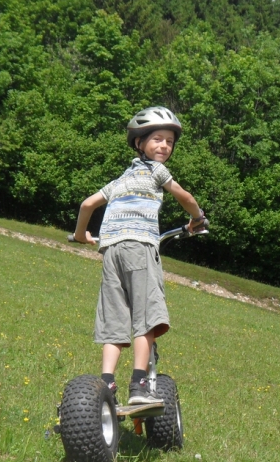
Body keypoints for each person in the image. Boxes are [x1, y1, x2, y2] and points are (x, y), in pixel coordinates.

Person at [72, 107, 205, 405]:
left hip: (111, 250)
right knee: (146, 318)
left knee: (114, 318)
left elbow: (87, 204)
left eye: (169, 142)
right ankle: (140, 385)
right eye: (157, 139)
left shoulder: (120, 180)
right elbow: (184, 195)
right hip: (140, 248)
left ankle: (106, 385)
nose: (164, 146)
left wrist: (81, 235)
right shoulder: (155, 171)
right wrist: (199, 216)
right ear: (139, 143)